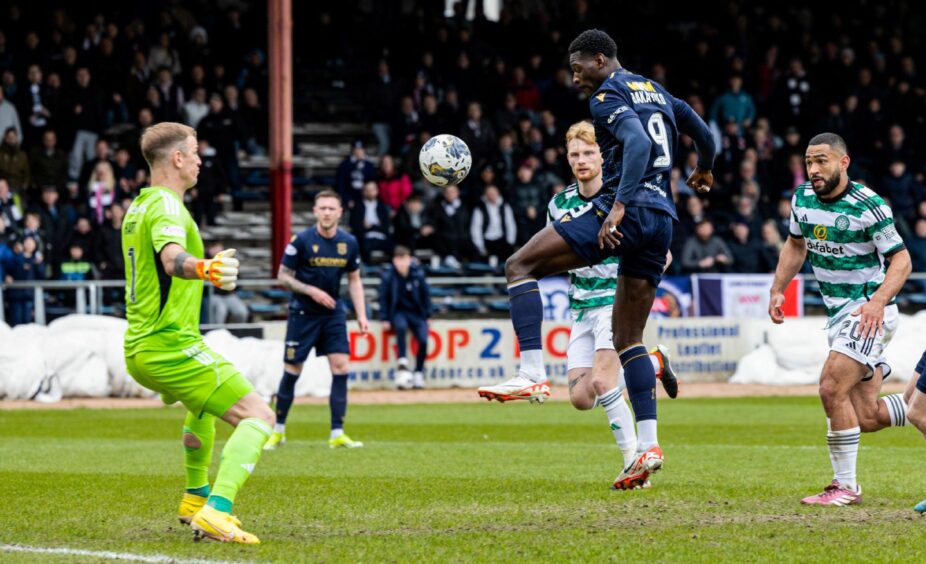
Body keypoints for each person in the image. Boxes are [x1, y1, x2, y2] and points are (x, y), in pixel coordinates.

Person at [477, 30, 716, 491]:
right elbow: (701, 131)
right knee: (630, 340)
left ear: (600, 59)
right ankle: (648, 444)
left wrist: (621, 205)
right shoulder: (655, 89)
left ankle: (530, 371)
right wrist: (704, 166)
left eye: (578, 67)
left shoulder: (607, 95)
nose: (575, 77)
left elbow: (638, 145)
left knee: (518, 267)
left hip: (626, 209)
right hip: (663, 215)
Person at [122, 122, 274, 544]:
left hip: (143, 344)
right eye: (194, 152)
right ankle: (218, 511)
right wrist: (206, 268)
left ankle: (195, 497)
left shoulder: (139, 206)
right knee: (260, 416)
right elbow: (172, 260)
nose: (200, 160)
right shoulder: (168, 207)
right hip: (169, 344)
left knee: (201, 406)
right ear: (176, 158)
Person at [769, 132, 911, 506]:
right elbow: (795, 245)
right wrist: (778, 289)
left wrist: (878, 302)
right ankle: (917, 406)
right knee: (866, 415)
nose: (813, 169)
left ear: (843, 162)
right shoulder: (801, 199)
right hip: (838, 316)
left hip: (868, 311)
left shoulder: (869, 205)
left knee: (831, 388)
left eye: (821, 161)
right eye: (809, 162)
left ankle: (845, 487)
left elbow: (902, 260)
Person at [540, 120, 679, 488]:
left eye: (589, 153)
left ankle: (636, 465)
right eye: (575, 154)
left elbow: (661, 255)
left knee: (603, 382)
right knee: (581, 398)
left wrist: (638, 287)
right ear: (567, 159)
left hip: (612, 304)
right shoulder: (559, 204)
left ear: (604, 157)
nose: (582, 160)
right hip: (581, 308)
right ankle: (651, 362)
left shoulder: (623, 198)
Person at [265, 189, 369, 450]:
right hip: (303, 314)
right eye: (322, 208)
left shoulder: (349, 242)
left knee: (341, 368)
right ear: (315, 211)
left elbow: (355, 281)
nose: (326, 212)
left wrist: (362, 315)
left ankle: (337, 433)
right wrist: (311, 290)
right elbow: (283, 276)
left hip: (333, 313)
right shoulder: (301, 241)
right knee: (292, 370)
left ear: (339, 213)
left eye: (331, 208)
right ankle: (278, 431)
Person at [378, 246, 432, 390]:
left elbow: (426, 296)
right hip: (398, 312)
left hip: (417, 313)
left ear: (409, 259)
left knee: (423, 339)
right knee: (400, 327)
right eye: (399, 259)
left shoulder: (418, 275)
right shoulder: (388, 276)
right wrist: (384, 318)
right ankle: (402, 360)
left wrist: (428, 315)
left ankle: (419, 372)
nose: (402, 263)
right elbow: (383, 298)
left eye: (405, 259)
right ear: (394, 261)